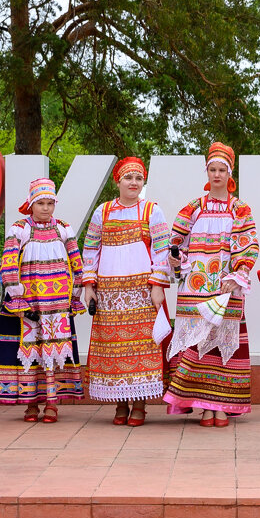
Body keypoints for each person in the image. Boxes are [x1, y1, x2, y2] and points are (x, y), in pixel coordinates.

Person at [164, 142, 260, 427]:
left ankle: (221, 405)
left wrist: (237, 276)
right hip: (195, 287)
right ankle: (205, 406)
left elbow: (249, 245)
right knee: (198, 344)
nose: (216, 175)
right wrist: (176, 257)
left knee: (222, 345)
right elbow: (175, 244)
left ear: (230, 174)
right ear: (206, 172)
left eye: (222, 170)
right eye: (212, 169)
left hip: (226, 286)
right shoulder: (193, 207)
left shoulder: (239, 208)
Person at [0, 178, 85, 421]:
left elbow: (76, 261)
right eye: (40, 203)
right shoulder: (20, 228)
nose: (45, 208)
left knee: (54, 350)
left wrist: (76, 293)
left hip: (57, 303)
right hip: (29, 302)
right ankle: (31, 403)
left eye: (50, 203)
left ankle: (52, 402)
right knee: (29, 351)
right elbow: (9, 261)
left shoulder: (63, 228)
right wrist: (16, 297)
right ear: (31, 203)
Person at [81, 157, 173, 426]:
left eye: (138, 179)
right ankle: (119, 403)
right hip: (110, 294)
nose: (134, 183)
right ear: (117, 181)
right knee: (114, 348)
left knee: (142, 348)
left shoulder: (151, 211)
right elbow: (90, 250)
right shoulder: (103, 212)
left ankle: (140, 406)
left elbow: (162, 250)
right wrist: (89, 287)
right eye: (128, 178)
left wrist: (157, 286)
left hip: (141, 292)